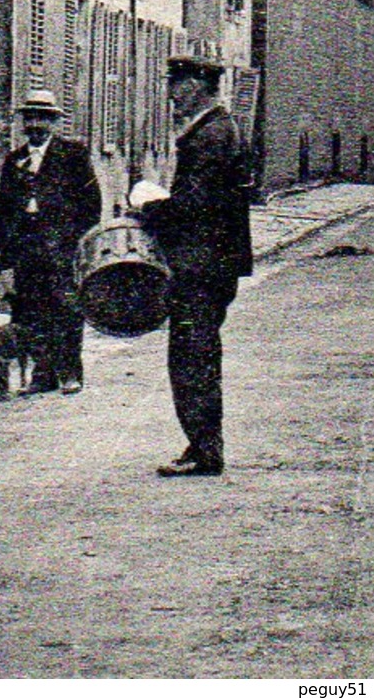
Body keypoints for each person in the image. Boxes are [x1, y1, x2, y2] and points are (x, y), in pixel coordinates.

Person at [133, 54, 253, 478]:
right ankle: (201, 444)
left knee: (192, 359)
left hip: (202, 266)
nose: (170, 94)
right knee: (196, 356)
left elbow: (196, 206)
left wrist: (149, 209)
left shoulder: (209, 136)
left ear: (196, 88)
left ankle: (205, 450)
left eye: (176, 85)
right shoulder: (219, 129)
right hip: (213, 264)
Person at [0, 87, 103, 395]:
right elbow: (2, 207)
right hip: (25, 248)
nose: (35, 125)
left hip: (62, 247)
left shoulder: (73, 155)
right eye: (30, 119)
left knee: (66, 309)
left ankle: (68, 373)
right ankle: (41, 376)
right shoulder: (14, 160)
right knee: (29, 310)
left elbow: (92, 204)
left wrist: (80, 243)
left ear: (54, 123)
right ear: (23, 123)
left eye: (43, 119)